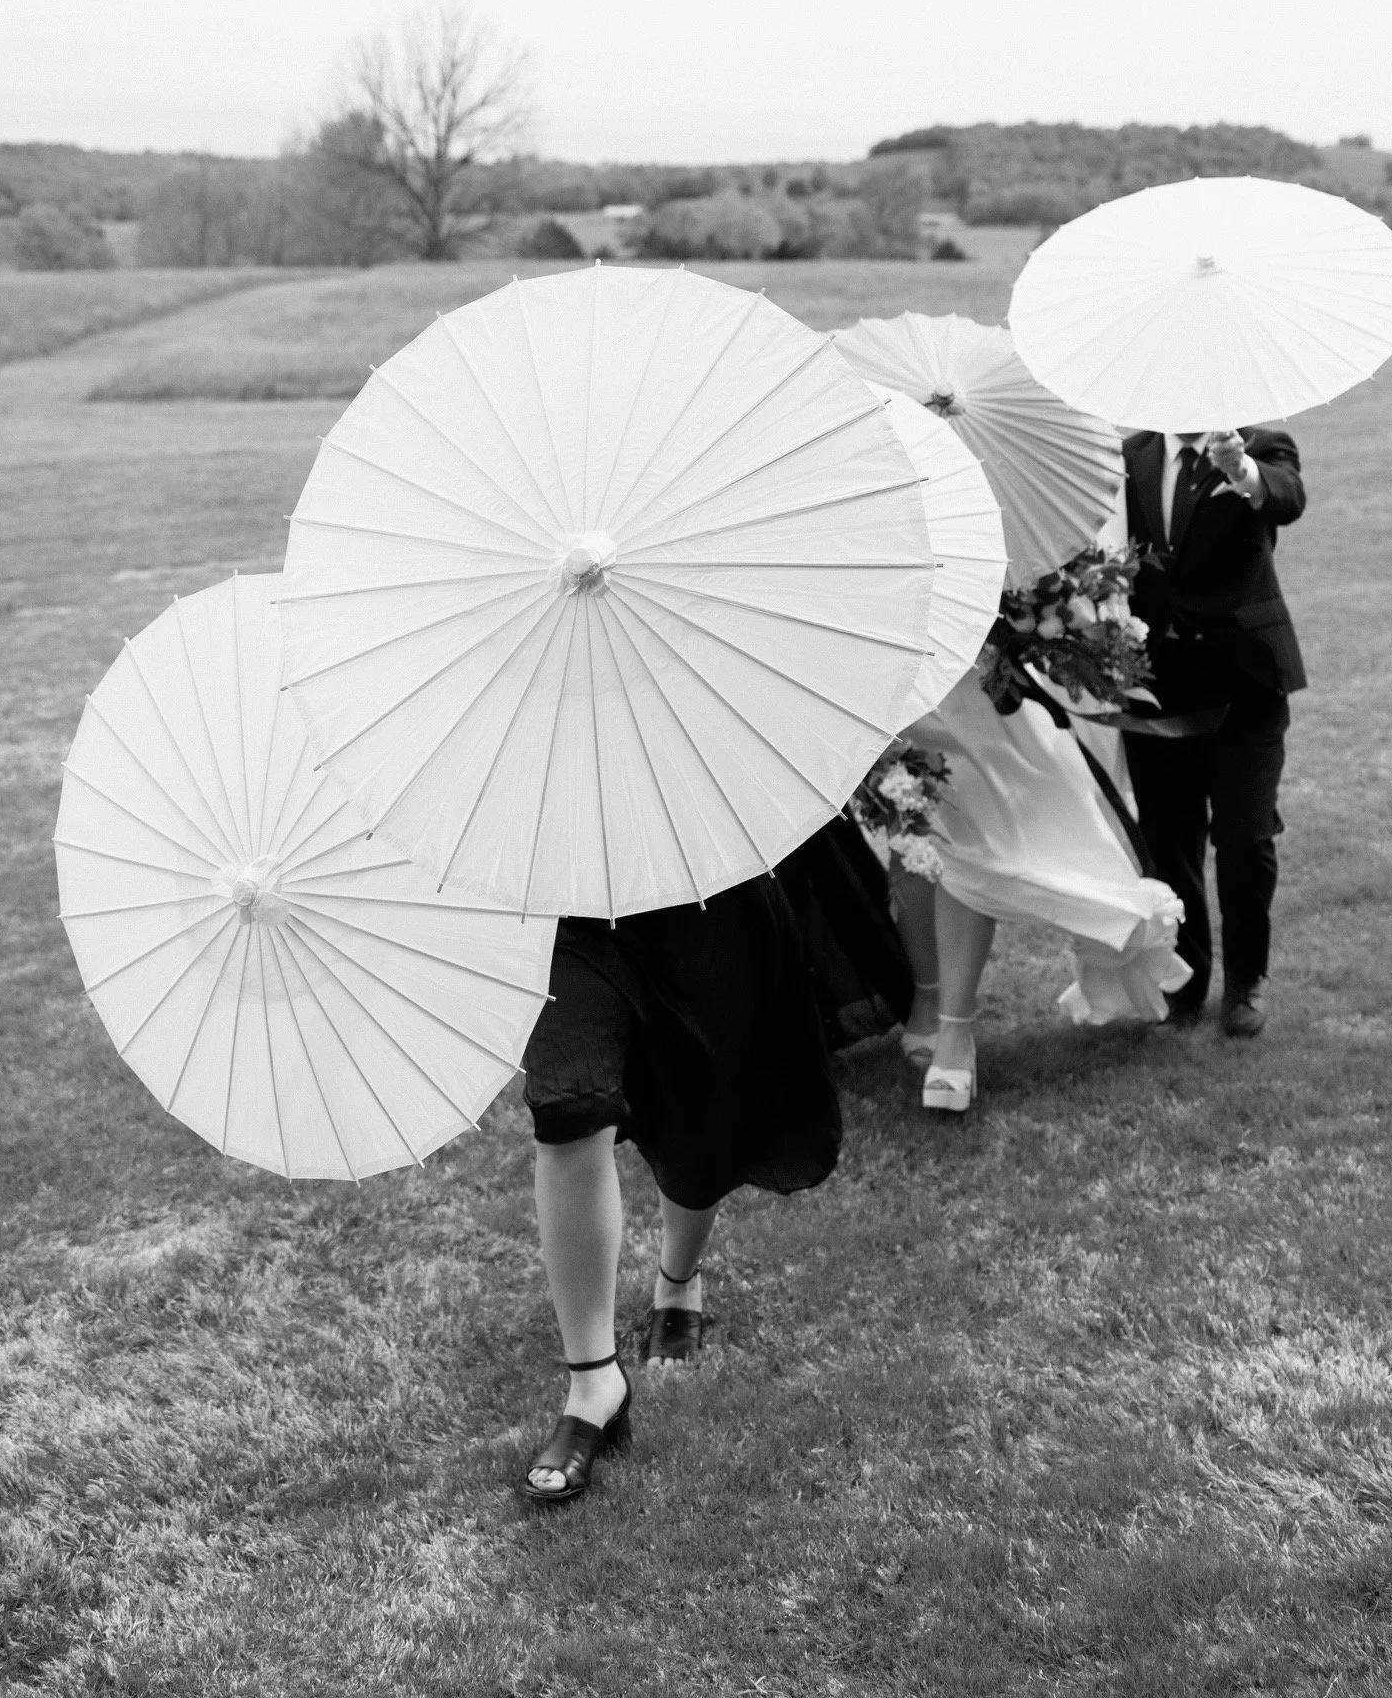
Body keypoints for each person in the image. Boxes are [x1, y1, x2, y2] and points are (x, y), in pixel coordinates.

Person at [517, 851, 845, 1506]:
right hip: (565, 906)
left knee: (700, 1122)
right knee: (567, 1108)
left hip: (706, 889)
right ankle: (593, 1385)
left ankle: (679, 1278)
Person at [888, 669, 1190, 1114]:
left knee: (988, 837)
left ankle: (953, 1028)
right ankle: (939, 1012)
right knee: (928, 844)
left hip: (992, 680)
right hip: (907, 678)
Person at [1113, 424, 1306, 1038]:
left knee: (1245, 840)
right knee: (1170, 843)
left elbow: (1285, 497)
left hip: (1244, 682)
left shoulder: (1262, 443)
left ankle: (1246, 983)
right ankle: (1189, 981)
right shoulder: (1129, 455)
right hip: (1154, 686)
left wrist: (1241, 471)